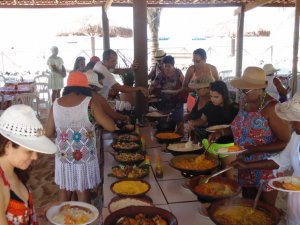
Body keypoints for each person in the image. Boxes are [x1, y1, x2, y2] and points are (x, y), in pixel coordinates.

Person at [208, 66, 291, 206]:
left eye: (246, 90)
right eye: (242, 89)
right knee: (247, 204)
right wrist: (221, 132)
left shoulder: (272, 108)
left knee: (265, 208)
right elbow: (237, 126)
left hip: (267, 167)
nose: (242, 93)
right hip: (244, 163)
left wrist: (254, 150)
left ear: (259, 89)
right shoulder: (245, 103)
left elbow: (285, 141)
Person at [45, 71, 115, 203]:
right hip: (84, 157)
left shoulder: (56, 103)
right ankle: (83, 221)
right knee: (82, 191)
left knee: (64, 189)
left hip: (64, 156)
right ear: (85, 87)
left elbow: (48, 132)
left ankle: (63, 220)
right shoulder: (90, 103)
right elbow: (111, 127)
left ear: (68, 87)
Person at [231, 92, 300, 225]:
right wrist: (247, 165)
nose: (290, 123)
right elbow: (279, 161)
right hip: (295, 206)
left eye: (295, 120)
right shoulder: (296, 138)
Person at [0, 104, 57, 225]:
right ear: (8, 146)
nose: (35, 157)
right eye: (29, 151)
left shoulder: (13, 170)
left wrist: (37, 211)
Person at [189, 80, 239, 179]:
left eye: (216, 97)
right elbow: (202, 120)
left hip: (227, 145)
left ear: (224, 95)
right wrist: (193, 123)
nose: (213, 99)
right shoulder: (209, 105)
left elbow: (237, 128)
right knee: (213, 174)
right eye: (211, 96)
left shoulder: (233, 108)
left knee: (229, 175)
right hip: (211, 143)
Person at [149, 55, 185, 134]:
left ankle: (179, 140)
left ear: (173, 65)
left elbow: (185, 85)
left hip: (177, 103)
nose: (167, 68)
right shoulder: (161, 74)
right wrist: (149, 91)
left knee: (179, 123)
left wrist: (177, 91)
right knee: (164, 126)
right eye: (165, 66)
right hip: (164, 104)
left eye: (169, 66)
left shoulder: (178, 72)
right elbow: (153, 85)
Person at [183, 48, 219, 112]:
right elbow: (184, 87)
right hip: (194, 99)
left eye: (197, 61)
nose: (195, 64)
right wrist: (197, 90)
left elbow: (219, 86)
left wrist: (207, 91)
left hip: (210, 101)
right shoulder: (191, 69)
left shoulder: (212, 69)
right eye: (193, 61)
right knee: (193, 118)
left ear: (205, 59)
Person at [187, 75, 214, 141]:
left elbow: (205, 121)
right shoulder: (199, 97)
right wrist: (187, 117)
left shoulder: (213, 102)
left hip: (207, 138)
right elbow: (195, 113)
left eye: (198, 89)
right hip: (194, 135)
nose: (196, 90)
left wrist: (193, 122)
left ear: (208, 88)